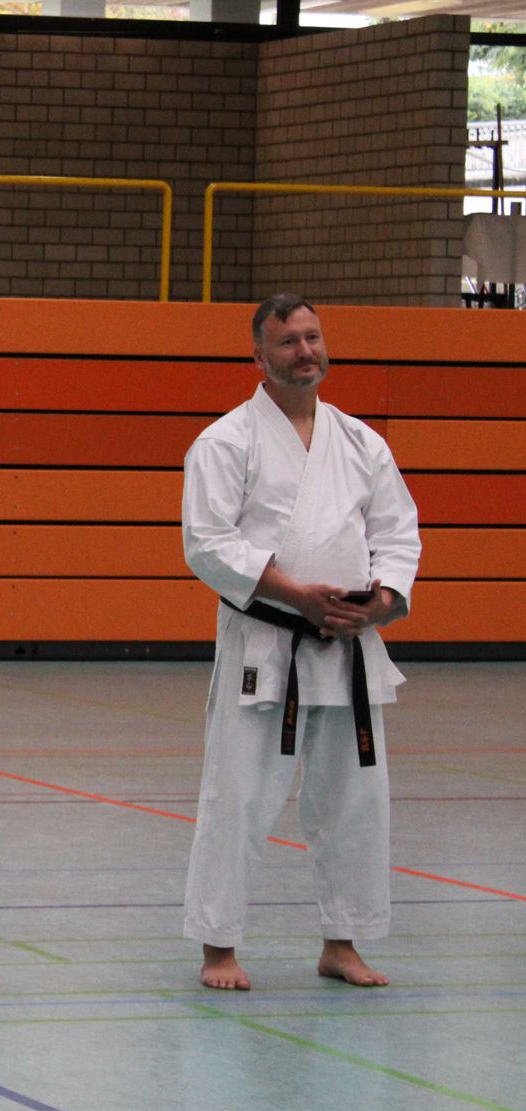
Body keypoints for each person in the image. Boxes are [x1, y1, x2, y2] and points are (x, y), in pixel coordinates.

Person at [180, 295, 421, 992]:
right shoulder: (226, 441)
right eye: (288, 341)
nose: (305, 351)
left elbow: (397, 531)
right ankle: (219, 947)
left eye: (313, 337)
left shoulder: (361, 442)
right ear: (259, 357)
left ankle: (342, 942)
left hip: (348, 646)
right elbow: (208, 544)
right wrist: (297, 595)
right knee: (238, 795)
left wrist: (381, 601)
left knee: (355, 800)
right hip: (268, 642)